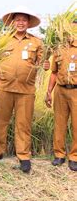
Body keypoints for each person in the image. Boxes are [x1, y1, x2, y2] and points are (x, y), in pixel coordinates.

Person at [0, 6, 44, 173]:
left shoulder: (36, 42)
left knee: (23, 124)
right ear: (12, 22)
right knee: (1, 121)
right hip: (4, 87)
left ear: (28, 23)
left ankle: (24, 156)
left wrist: (45, 65)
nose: (20, 23)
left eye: (23, 20)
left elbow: (42, 64)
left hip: (26, 90)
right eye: (17, 20)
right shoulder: (2, 40)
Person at [45, 18, 77, 171]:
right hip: (61, 90)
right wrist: (49, 91)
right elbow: (54, 72)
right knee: (59, 124)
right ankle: (59, 155)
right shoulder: (59, 48)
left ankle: (74, 156)